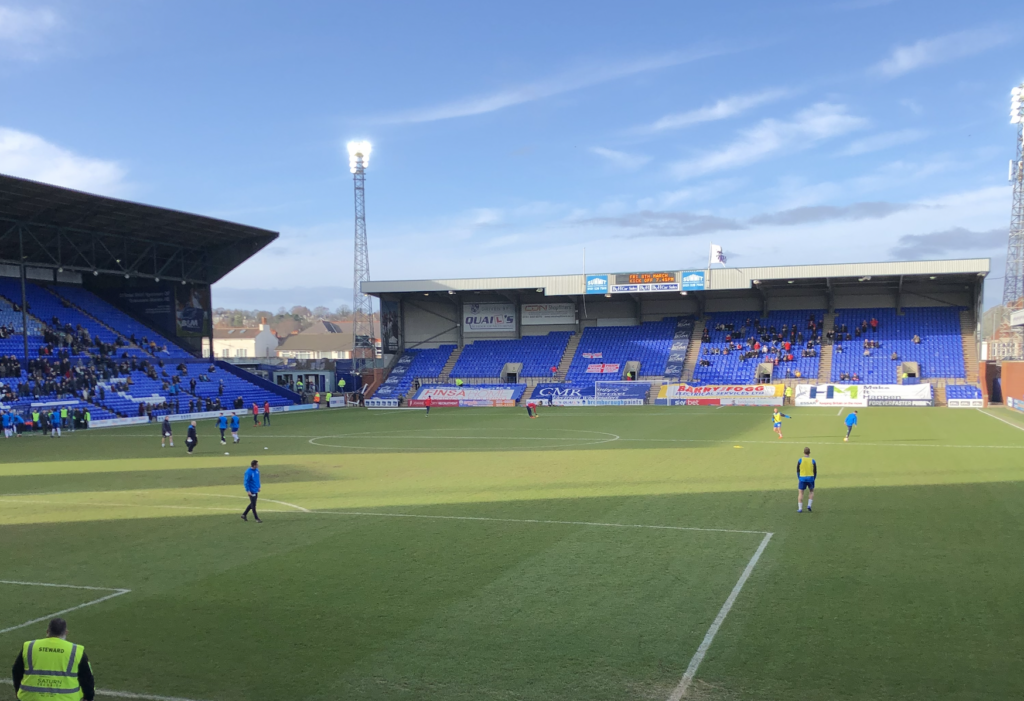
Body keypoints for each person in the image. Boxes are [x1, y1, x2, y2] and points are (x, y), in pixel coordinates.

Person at [11, 617, 95, 701]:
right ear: (66, 632)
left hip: (30, 698)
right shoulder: (76, 650)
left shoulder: (29, 646)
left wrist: (19, 692)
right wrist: (88, 697)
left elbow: (16, 671)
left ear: (47, 631)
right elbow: (87, 678)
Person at [797, 447, 816, 513]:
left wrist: (799, 477)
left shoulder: (800, 460)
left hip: (802, 478)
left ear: (804, 452)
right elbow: (815, 471)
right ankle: (809, 505)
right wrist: (814, 478)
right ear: (809, 452)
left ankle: (800, 509)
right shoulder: (812, 460)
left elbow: (798, 470)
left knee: (801, 493)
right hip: (811, 478)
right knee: (811, 491)